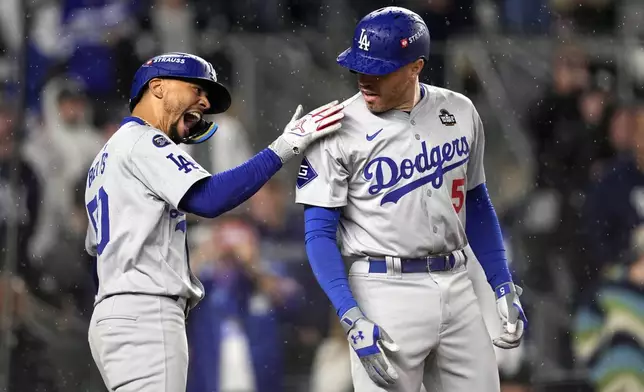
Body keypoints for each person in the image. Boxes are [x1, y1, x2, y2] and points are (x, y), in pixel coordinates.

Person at [295, 7, 527, 392]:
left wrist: (501, 282)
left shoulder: (460, 110)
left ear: (415, 66)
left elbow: (476, 203)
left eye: (378, 70)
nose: (365, 80)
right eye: (359, 68)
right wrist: (350, 314)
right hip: (383, 291)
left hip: (457, 282)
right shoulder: (333, 128)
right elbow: (318, 235)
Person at [84, 51, 345, 392]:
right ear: (158, 87)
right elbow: (210, 198)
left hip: (115, 313)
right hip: (144, 313)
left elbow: (95, 260)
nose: (205, 102)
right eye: (196, 89)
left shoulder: (105, 157)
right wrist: (285, 146)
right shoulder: (143, 141)